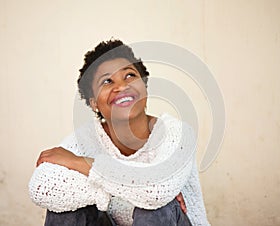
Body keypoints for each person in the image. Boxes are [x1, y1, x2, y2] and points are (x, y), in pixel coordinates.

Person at [29, 39, 210, 226]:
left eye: (130, 76)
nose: (122, 86)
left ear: (144, 86)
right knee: (64, 209)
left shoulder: (177, 133)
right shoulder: (84, 139)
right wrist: (138, 186)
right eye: (107, 81)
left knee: (156, 208)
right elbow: (42, 187)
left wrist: (79, 163)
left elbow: (156, 192)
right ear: (93, 102)